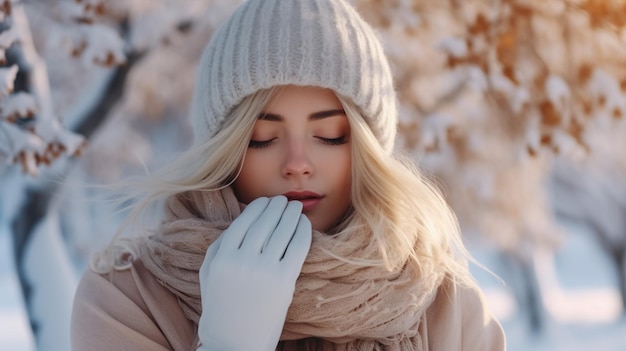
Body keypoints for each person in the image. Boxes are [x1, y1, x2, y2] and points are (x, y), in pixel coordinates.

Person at [71, 0, 506, 350]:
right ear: (225, 148)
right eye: (261, 137)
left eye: (331, 135)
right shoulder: (128, 298)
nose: (297, 162)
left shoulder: (444, 307)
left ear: (368, 150)